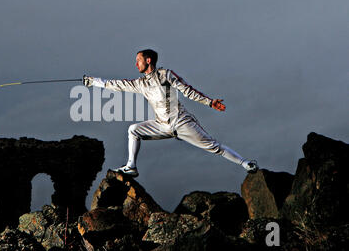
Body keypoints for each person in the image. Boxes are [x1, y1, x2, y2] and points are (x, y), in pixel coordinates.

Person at [83, 49, 258, 178]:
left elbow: (187, 90)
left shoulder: (165, 75)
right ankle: (131, 166)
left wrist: (210, 102)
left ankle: (246, 163)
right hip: (161, 125)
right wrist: (93, 82)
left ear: (148, 60)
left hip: (181, 122)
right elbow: (117, 84)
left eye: (138, 60)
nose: (136, 64)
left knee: (213, 146)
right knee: (133, 130)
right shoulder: (140, 83)